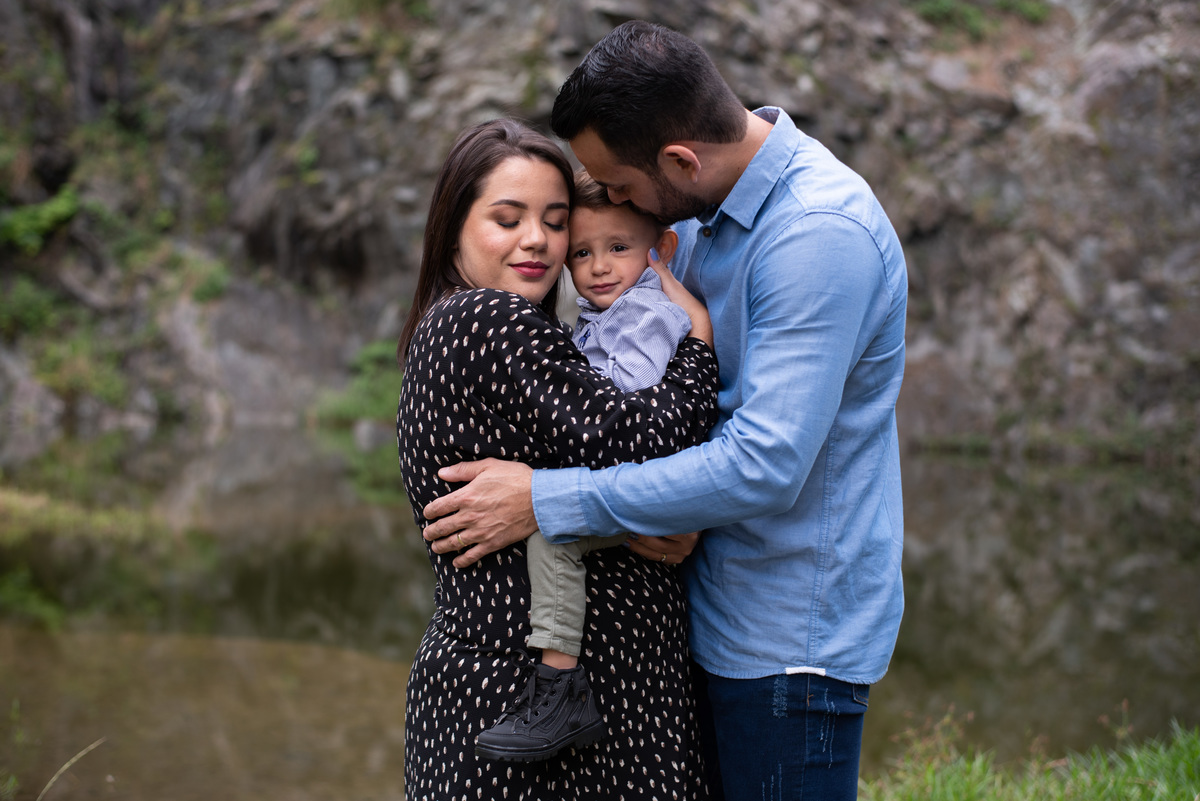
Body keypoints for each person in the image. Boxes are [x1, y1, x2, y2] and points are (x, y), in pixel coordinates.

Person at [419, 21, 909, 801]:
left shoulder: (817, 234)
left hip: (784, 644)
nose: (610, 207)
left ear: (679, 160)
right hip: (700, 620)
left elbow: (763, 463)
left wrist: (549, 498)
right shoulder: (694, 217)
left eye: (619, 187)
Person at [396, 118, 720, 798]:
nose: (537, 240)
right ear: (453, 225)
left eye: (553, 220)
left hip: (537, 695)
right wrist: (695, 342)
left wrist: (633, 512)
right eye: (507, 219)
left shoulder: (461, 325)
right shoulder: (490, 319)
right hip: (542, 708)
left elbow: (589, 465)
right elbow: (640, 438)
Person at [475, 167, 709, 762]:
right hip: (633, 483)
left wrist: (572, 386)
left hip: (643, 477)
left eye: (618, 248)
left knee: (555, 538)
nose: (599, 267)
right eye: (581, 252)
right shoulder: (601, 313)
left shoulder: (649, 313)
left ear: (663, 250)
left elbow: (626, 412)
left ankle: (558, 686)